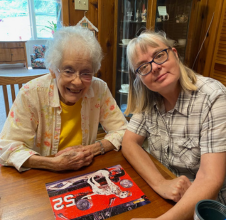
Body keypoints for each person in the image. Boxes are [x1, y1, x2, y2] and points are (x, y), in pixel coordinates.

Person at [121, 30, 226, 220]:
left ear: (175, 54)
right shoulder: (148, 99)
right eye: (143, 66)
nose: (154, 68)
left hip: (207, 209)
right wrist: (161, 184)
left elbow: (210, 178)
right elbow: (129, 143)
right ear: (140, 78)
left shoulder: (214, 96)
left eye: (159, 56)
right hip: (166, 200)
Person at [0, 26, 127, 172]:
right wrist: (52, 163)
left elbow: (123, 130)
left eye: (86, 73)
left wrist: (93, 149)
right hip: (41, 174)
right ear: (53, 70)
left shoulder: (99, 89)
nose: (77, 81)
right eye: (68, 71)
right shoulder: (30, 93)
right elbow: (7, 148)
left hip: (86, 169)